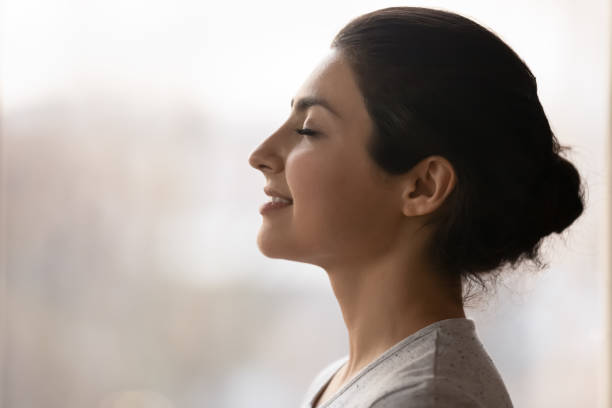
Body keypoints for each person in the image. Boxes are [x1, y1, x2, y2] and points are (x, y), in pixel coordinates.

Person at [248, 6, 585, 408]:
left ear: (423, 187)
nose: (260, 155)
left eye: (309, 129)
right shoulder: (343, 380)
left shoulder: (426, 399)